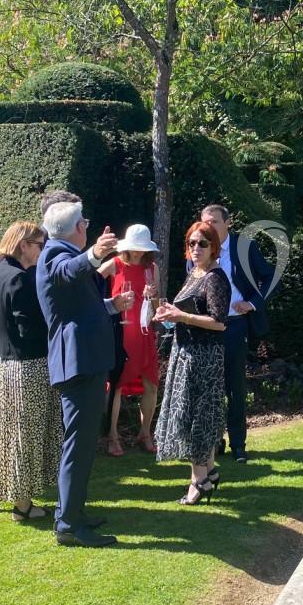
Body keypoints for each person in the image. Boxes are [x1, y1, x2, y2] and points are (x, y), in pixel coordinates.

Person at [37, 200, 133, 547]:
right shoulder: (54, 254)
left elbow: (74, 305)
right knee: (77, 445)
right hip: (77, 364)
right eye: (84, 222)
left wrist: (110, 305)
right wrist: (93, 255)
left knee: (80, 443)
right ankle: (68, 524)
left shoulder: (61, 252)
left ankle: (71, 513)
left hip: (83, 362)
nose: (88, 226)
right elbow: (67, 272)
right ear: (76, 228)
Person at [0, 222, 62, 521]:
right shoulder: (21, 279)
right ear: (24, 245)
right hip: (30, 367)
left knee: (9, 433)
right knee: (25, 437)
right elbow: (28, 330)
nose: (43, 250)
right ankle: (22, 504)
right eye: (39, 245)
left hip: (9, 368)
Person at [153, 222, 231, 505]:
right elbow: (186, 309)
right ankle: (208, 472)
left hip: (204, 358)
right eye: (191, 243)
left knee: (199, 416)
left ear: (214, 247)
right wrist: (169, 313)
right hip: (184, 354)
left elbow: (219, 322)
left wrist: (183, 318)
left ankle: (198, 481)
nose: (196, 249)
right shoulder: (194, 273)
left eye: (203, 244)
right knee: (194, 415)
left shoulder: (215, 278)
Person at [198, 204, 276, 464]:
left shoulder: (244, 247)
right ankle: (215, 441)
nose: (209, 227)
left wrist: (252, 303)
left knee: (235, 387)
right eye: (205, 222)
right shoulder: (199, 247)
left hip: (235, 325)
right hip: (207, 326)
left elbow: (270, 276)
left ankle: (238, 445)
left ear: (228, 223)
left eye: (214, 222)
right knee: (211, 387)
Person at [98, 224, 160, 456]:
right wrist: (109, 302)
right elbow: (88, 285)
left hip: (145, 332)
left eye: (141, 249)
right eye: (134, 248)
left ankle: (145, 433)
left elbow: (158, 307)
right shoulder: (114, 264)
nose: (137, 253)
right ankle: (112, 436)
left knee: (151, 384)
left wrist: (153, 298)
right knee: (117, 385)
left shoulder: (152, 268)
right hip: (121, 333)